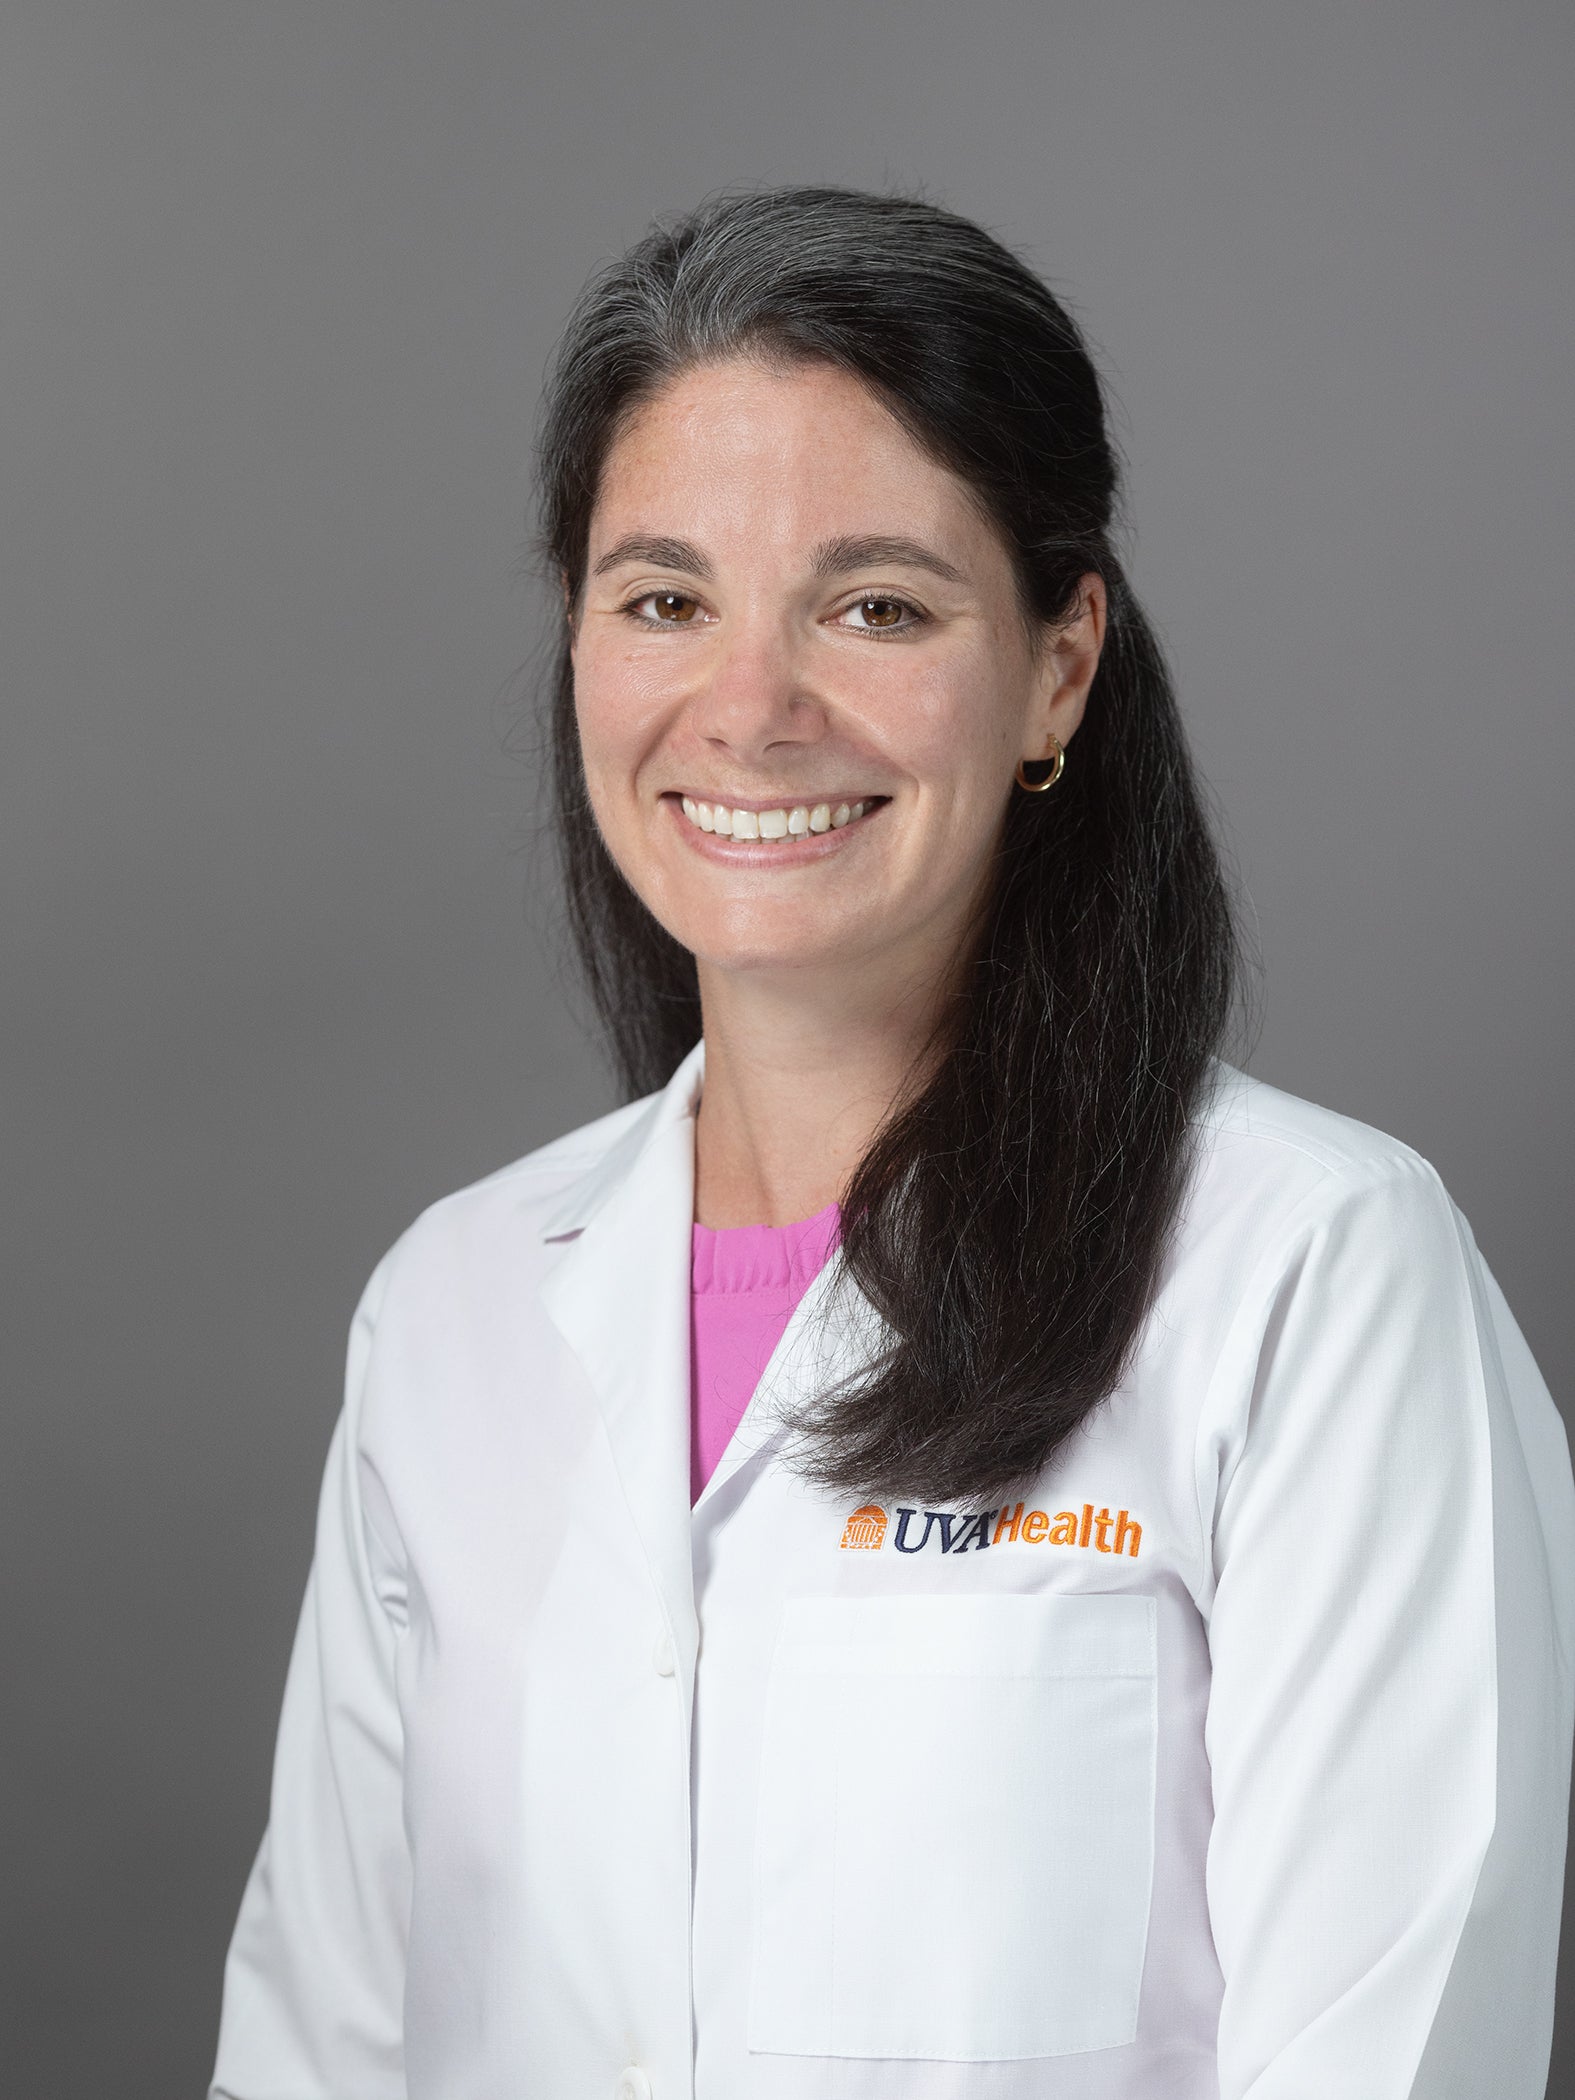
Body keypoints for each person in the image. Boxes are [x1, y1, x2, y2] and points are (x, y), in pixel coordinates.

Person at [208, 185, 1575, 2100]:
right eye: (664, 599)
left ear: (1059, 665)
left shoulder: (1312, 1274)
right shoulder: (451, 1307)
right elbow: (321, 2045)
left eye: (875, 607)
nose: (750, 711)